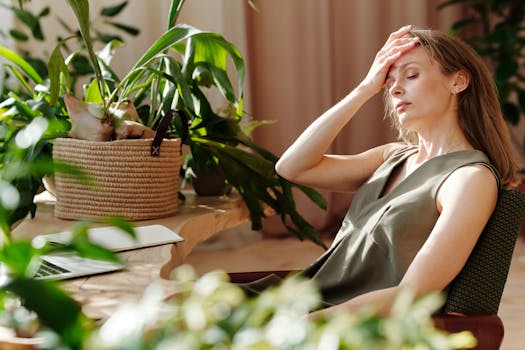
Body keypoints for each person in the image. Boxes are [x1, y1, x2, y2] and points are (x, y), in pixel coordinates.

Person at [242, 25, 520, 316]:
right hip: (297, 299)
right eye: (388, 83)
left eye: (411, 75)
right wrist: (365, 88)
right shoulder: (393, 156)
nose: (396, 88)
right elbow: (291, 167)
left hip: (343, 322)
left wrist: (299, 328)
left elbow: (412, 294)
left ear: (458, 81)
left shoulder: (469, 179)